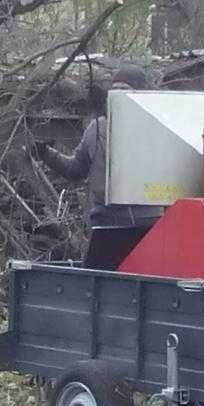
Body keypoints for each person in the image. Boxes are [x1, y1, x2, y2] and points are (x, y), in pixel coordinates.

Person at [33, 66, 161, 266]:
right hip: (106, 221)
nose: (117, 93)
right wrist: (46, 153)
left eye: (124, 88)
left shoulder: (156, 128)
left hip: (147, 223)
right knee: (102, 283)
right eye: (114, 88)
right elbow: (76, 169)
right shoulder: (97, 128)